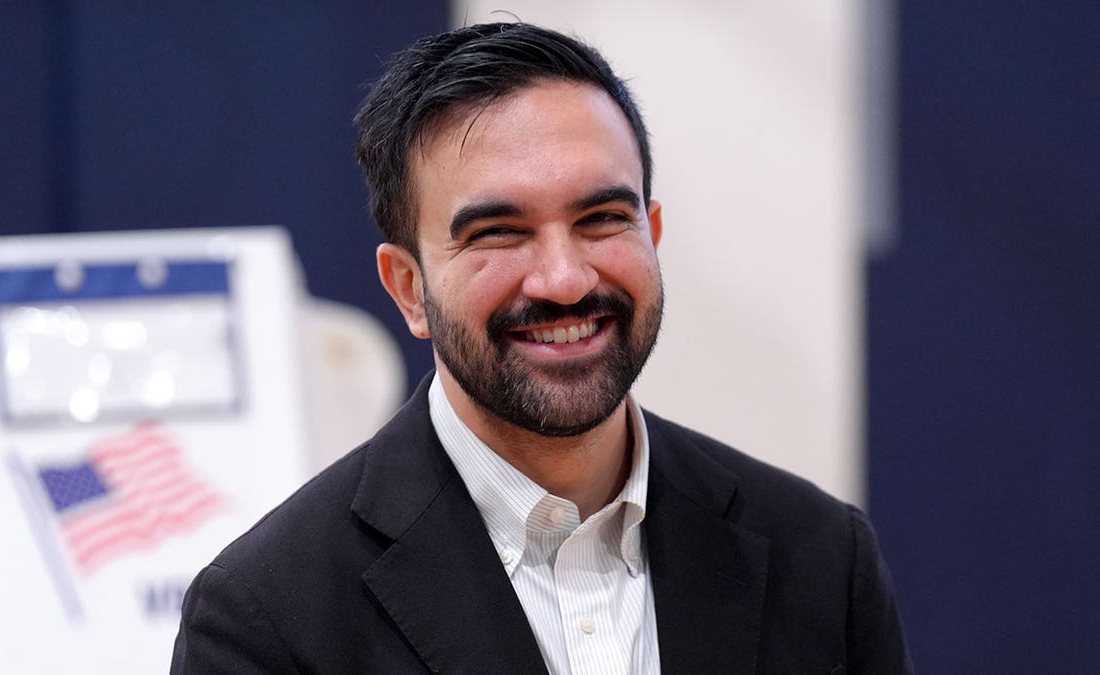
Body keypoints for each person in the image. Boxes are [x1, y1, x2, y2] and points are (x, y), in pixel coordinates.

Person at [170, 22, 912, 674]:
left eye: (601, 218)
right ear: (407, 288)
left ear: (651, 233)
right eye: (498, 232)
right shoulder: (268, 618)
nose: (563, 279)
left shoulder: (819, 556)